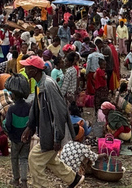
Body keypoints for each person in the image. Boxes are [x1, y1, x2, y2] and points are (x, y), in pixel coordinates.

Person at [20, 55, 84, 188]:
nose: (24, 69)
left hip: (53, 132)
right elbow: (36, 109)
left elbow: (59, 112)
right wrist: (30, 127)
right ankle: (73, 179)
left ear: (34, 70)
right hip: (48, 130)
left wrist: (57, 138)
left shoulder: (48, 85)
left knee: (35, 159)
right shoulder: (40, 84)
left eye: (27, 67)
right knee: (49, 159)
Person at [5, 82, 31, 188]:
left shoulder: (11, 108)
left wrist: (8, 132)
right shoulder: (29, 106)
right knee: (24, 158)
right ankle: (24, 181)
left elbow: (8, 124)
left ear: (14, 95)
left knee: (14, 158)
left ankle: (16, 179)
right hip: (26, 137)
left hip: (15, 138)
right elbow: (32, 122)